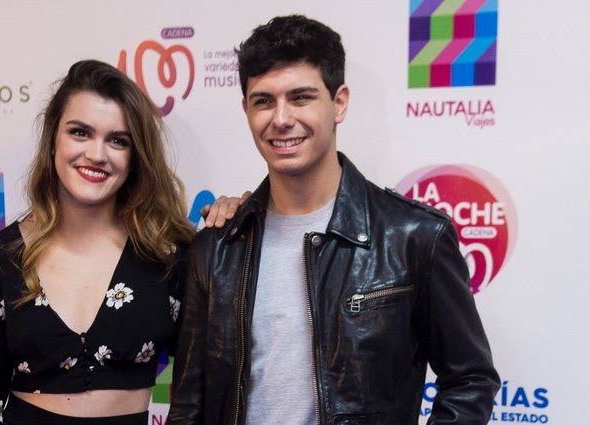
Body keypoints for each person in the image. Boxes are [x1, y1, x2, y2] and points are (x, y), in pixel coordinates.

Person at [169, 15, 500, 425]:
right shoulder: (216, 247)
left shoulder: (414, 236)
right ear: (246, 110)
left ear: (339, 102)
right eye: (263, 101)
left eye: (301, 97)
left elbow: (470, 382)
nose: (281, 119)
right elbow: (187, 404)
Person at [0, 59, 242, 425]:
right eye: (80, 132)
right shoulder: (3, 257)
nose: (97, 154)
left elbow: (217, 375)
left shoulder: (168, 255)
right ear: (53, 138)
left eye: (117, 140)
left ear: (135, 157)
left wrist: (247, 215)